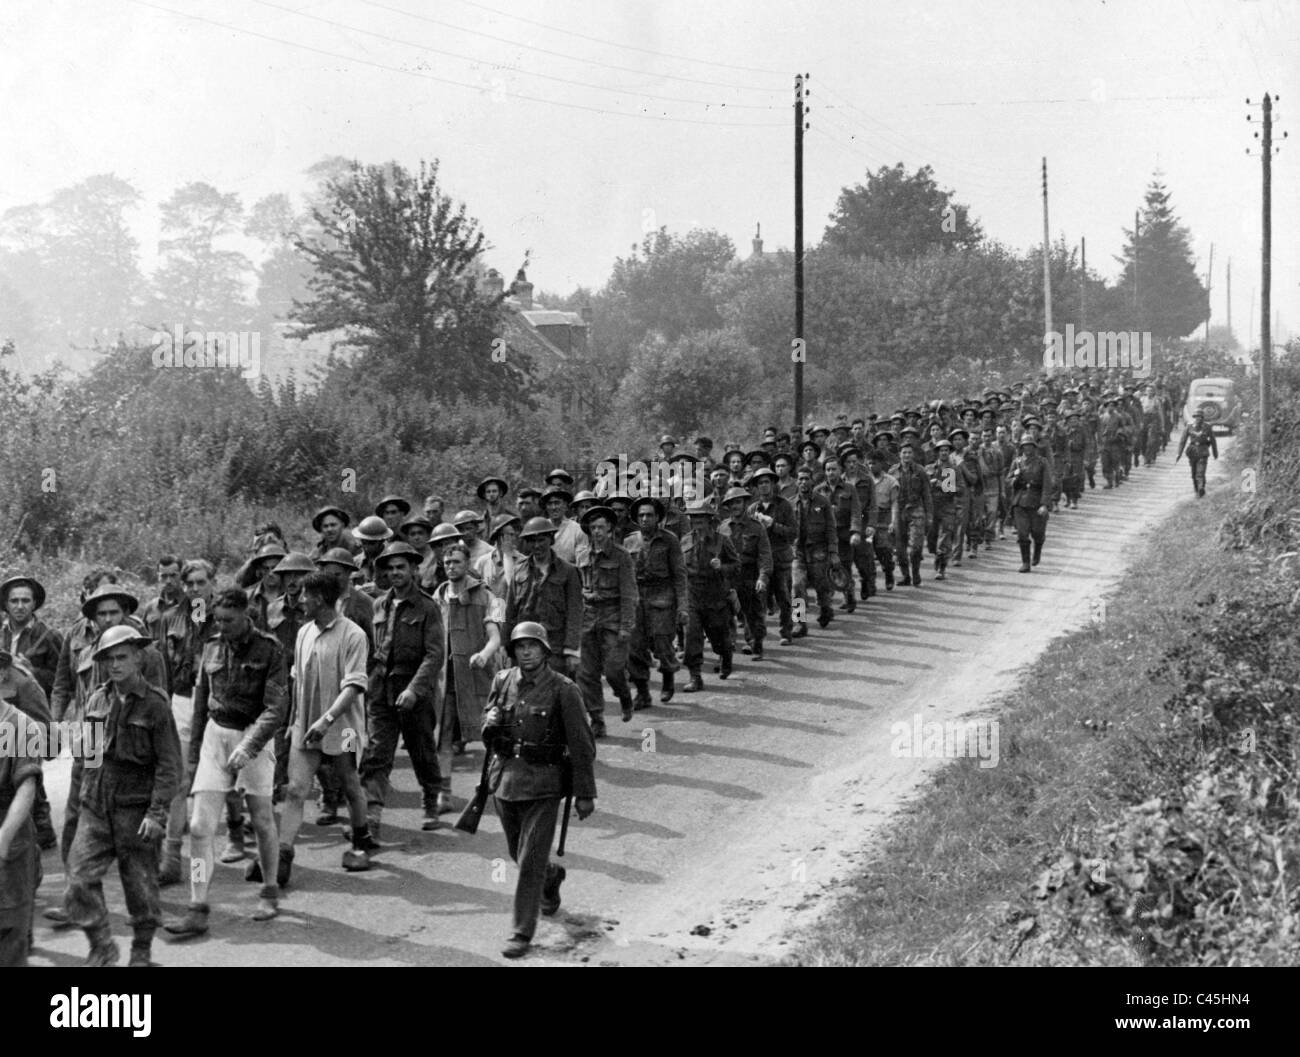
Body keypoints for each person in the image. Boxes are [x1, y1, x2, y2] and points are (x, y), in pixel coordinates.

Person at [164, 588, 286, 937]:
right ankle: (197, 906)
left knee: (262, 820)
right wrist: (192, 759)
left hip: (253, 738)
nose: (222, 626)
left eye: (229, 620)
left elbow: (276, 708)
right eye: (217, 619)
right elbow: (201, 703)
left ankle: (269, 889)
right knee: (201, 827)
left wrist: (250, 746)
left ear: (247, 614)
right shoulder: (212, 646)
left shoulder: (270, 649)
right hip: (216, 738)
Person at [64, 625, 181, 968]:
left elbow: (170, 766)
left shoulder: (156, 705)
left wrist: (157, 814)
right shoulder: (98, 699)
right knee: (78, 879)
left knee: (140, 886)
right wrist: (81, 794)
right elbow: (86, 753)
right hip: (96, 804)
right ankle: (101, 945)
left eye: (121, 657)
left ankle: (141, 950)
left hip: (135, 808)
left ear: (138, 658)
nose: (114, 665)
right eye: (108, 659)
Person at [481, 622, 596, 959]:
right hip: (505, 781)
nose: (526, 652)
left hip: (544, 785)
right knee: (519, 854)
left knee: (529, 861)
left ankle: (520, 931)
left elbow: (581, 745)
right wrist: (488, 722)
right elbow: (489, 720)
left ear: (545, 651)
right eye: (520, 646)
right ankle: (551, 875)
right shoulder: (502, 682)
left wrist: (584, 793)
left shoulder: (564, 689)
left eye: (532, 646)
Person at [279, 571, 372, 884]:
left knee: (349, 782)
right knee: (295, 790)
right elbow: (297, 681)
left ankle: (360, 844)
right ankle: (282, 856)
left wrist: (327, 719)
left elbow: (355, 685)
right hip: (306, 726)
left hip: (342, 727)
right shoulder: (304, 632)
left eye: (305, 595)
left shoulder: (353, 635)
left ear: (319, 599)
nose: (300, 599)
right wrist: (295, 721)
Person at [359, 542, 446, 836]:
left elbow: (434, 655)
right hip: (382, 690)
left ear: (413, 569)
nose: (395, 573)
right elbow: (374, 648)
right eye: (391, 568)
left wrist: (414, 689)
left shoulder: (428, 607)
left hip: (414, 692)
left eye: (401, 567)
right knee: (377, 754)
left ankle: (431, 799)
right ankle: (371, 818)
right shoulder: (379, 605)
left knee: (422, 750)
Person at [430, 543, 503, 809]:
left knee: (490, 733)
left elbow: (495, 636)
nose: (451, 567)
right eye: (448, 562)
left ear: (467, 563)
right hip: (446, 680)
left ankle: (493, 783)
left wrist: (484, 654)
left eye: (457, 562)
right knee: (444, 737)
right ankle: (444, 794)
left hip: (477, 677)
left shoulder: (485, 595)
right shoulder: (437, 597)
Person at [0, 574, 62, 849]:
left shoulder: (48, 636)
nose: (20, 606)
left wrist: (31, 672)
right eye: (14, 601)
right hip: (4, 709)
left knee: (25, 771)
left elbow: (62, 677)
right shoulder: (1, 633)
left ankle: (41, 829)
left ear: (34, 604)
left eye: (26, 600)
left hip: (32, 706)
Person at [576, 506, 637, 735]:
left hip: (613, 617)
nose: (597, 532)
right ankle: (597, 718)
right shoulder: (581, 555)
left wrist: (626, 626)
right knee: (586, 673)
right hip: (588, 617)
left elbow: (629, 593)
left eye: (601, 527)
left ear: (610, 529)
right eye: (593, 528)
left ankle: (624, 696)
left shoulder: (621, 556)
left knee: (613, 670)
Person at [623, 497, 688, 707]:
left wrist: (683, 606)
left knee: (662, 642)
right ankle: (642, 692)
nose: (645, 519)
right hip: (636, 597)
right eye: (641, 515)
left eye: (649, 515)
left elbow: (679, 574)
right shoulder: (630, 541)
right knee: (635, 646)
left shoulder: (670, 540)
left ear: (658, 517)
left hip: (662, 596)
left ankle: (668, 677)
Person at [506, 517, 583, 678]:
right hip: (525, 644)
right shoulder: (519, 571)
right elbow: (510, 611)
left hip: (556, 647)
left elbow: (575, 612)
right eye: (532, 541)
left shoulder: (568, 571)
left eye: (541, 540)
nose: (537, 545)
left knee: (558, 695)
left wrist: (572, 650)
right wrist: (505, 645)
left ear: (551, 539)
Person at [0, 688, 41, 966]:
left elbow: (26, 789)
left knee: (9, 931)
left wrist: (2, 841)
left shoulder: (21, 726)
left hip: (10, 837)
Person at [681, 501, 739, 690]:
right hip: (692, 594)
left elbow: (736, 566)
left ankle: (726, 655)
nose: (696, 521)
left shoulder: (722, 540)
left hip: (715, 595)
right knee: (692, 635)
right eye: (693, 517)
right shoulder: (685, 541)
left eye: (701, 517)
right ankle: (695, 676)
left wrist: (721, 567)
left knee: (719, 636)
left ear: (709, 519)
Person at [718, 486, 772, 660]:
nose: (735, 506)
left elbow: (764, 555)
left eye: (738, 502)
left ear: (745, 503)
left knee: (753, 613)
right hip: (729, 576)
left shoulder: (757, 527)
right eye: (731, 503)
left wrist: (762, 577)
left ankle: (757, 643)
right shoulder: (722, 528)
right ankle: (728, 646)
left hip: (750, 574)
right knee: (725, 613)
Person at [747, 467, 797, 645]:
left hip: (781, 558)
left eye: (767, 482)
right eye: (760, 483)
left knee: (785, 597)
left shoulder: (784, 505)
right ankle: (757, 637)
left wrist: (773, 525)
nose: (764, 486)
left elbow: (793, 533)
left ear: (773, 484)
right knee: (759, 599)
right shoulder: (752, 509)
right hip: (761, 562)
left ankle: (788, 630)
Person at [792, 466, 838, 632]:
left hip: (819, 550)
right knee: (797, 586)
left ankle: (826, 609)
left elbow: (831, 528)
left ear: (812, 481)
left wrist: (833, 552)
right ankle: (799, 622)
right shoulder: (791, 503)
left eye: (806, 478)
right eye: (800, 479)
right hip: (798, 552)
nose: (803, 482)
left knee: (822, 585)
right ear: (796, 482)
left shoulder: (823, 502)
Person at [1006, 434, 1053, 572]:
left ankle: (1037, 549)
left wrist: (1044, 504)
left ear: (1034, 447)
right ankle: (1025, 562)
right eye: (1025, 446)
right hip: (1020, 501)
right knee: (1022, 533)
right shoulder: (1017, 462)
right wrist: (1015, 477)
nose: (1027, 448)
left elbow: (1047, 484)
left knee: (1038, 532)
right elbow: (1008, 481)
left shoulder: (1042, 462)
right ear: (1021, 448)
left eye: (1030, 446)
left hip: (1036, 501)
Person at [893, 441, 932, 587]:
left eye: (909, 452)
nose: (907, 455)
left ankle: (916, 573)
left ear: (913, 454)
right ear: (899, 455)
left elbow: (927, 495)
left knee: (916, 546)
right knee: (900, 547)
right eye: (904, 452)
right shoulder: (893, 472)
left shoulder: (920, 471)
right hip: (898, 510)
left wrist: (930, 516)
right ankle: (905, 576)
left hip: (916, 509)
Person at [1175, 408, 1219, 497]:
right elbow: (1183, 441)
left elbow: (1213, 441)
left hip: (1203, 450)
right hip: (1192, 451)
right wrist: (1178, 454)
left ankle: (1201, 488)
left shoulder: (1207, 427)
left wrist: (1215, 453)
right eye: (1196, 417)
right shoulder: (1189, 426)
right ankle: (1196, 489)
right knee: (1194, 473)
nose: (1198, 419)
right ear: (1194, 417)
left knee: (1201, 472)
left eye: (1200, 417)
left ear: (1203, 418)